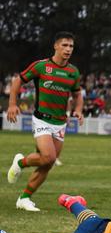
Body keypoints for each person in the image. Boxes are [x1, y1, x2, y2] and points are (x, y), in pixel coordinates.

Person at [6, 32, 84, 212]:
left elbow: (77, 93)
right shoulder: (41, 66)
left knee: (47, 163)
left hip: (60, 123)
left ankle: (24, 198)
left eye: (71, 46)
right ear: (55, 46)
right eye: (64, 45)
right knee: (49, 157)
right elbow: (18, 80)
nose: (68, 49)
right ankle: (20, 163)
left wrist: (78, 110)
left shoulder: (73, 71)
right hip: (42, 119)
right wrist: (12, 104)